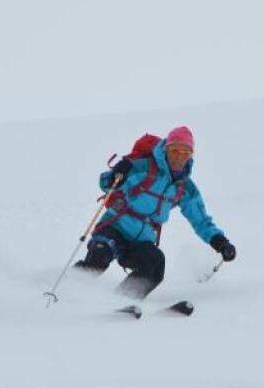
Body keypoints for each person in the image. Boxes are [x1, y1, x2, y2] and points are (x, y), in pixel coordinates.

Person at [74, 126, 236, 299]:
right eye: (175, 152)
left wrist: (220, 242)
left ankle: (120, 301)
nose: (179, 158)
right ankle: (64, 291)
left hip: (142, 240)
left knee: (155, 265)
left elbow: (201, 221)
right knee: (98, 260)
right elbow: (105, 183)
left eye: (185, 153)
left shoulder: (185, 187)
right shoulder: (144, 167)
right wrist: (117, 173)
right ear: (166, 150)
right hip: (115, 227)